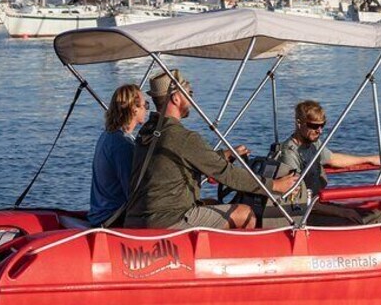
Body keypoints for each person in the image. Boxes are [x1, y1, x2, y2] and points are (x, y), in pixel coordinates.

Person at [124, 70, 299, 230]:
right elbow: (227, 174)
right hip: (167, 219)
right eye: (189, 94)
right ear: (176, 98)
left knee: (213, 202)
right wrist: (274, 185)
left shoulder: (148, 130)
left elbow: (181, 159)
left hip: (139, 216)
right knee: (245, 214)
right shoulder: (182, 137)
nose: (192, 100)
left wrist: (224, 155)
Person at [278, 100, 381, 225]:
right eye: (314, 126)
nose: (320, 131)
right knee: (352, 220)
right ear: (299, 123)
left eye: (323, 125)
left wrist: (368, 159)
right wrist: (342, 212)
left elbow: (333, 159)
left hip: (318, 203)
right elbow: (297, 199)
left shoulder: (314, 144)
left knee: (378, 215)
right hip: (303, 210)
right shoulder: (289, 153)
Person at [88, 84, 148, 226]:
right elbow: (132, 192)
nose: (146, 109)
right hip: (112, 217)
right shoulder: (123, 145)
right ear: (134, 109)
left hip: (100, 212)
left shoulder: (107, 135)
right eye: (145, 105)